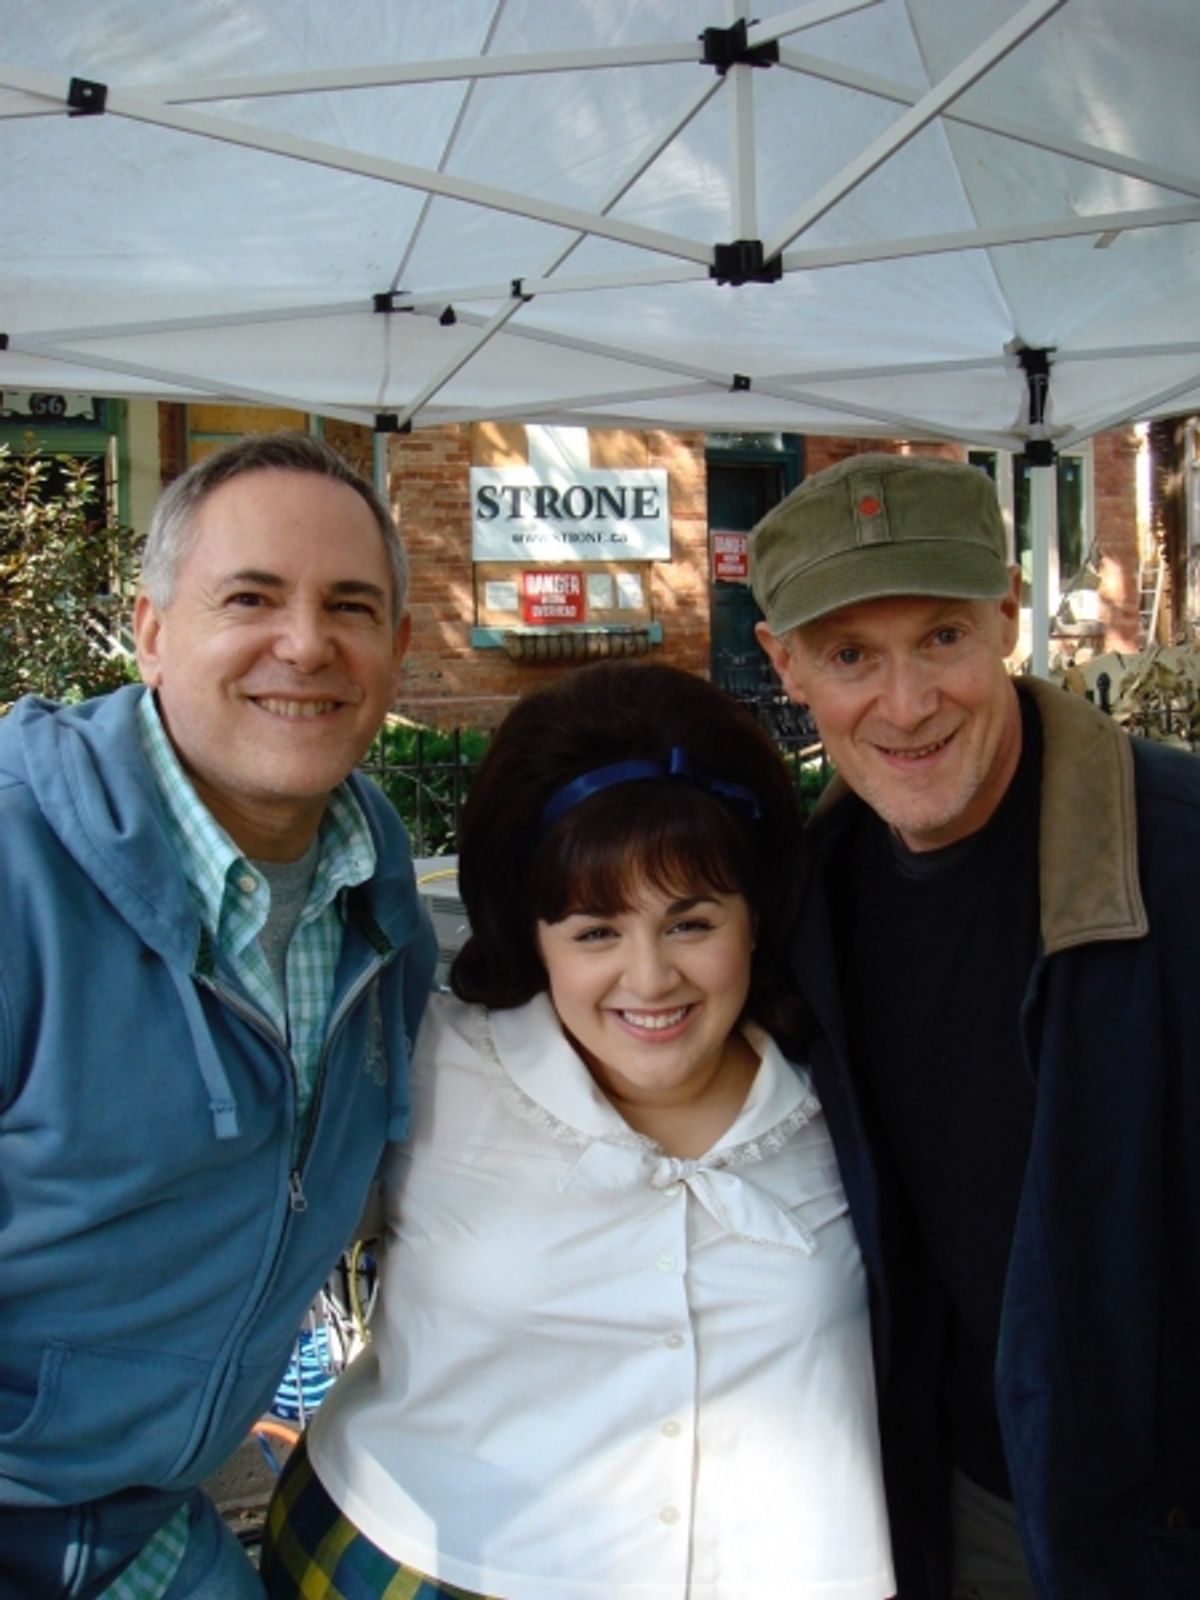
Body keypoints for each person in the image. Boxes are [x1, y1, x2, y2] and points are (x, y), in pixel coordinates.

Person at [259, 661, 896, 1600]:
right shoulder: (436, 1068)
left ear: (754, 916)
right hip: (417, 1559)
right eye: (595, 932)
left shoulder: (849, 1099)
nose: (649, 980)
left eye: (690, 924)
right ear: (536, 934)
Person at [748, 451, 1200, 1600]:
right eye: (853, 655)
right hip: (958, 1506)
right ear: (785, 665)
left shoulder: (1181, 851)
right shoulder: (805, 900)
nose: (906, 705)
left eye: (943, 636)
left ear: (1008, 610)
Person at [0, 431, 437, 1599]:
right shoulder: (12, 868)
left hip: (149, 1517)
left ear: (395, 650)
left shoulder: (374, 891)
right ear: (150, 628)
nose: (305, 643)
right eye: (251, 597)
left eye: (350, 606)